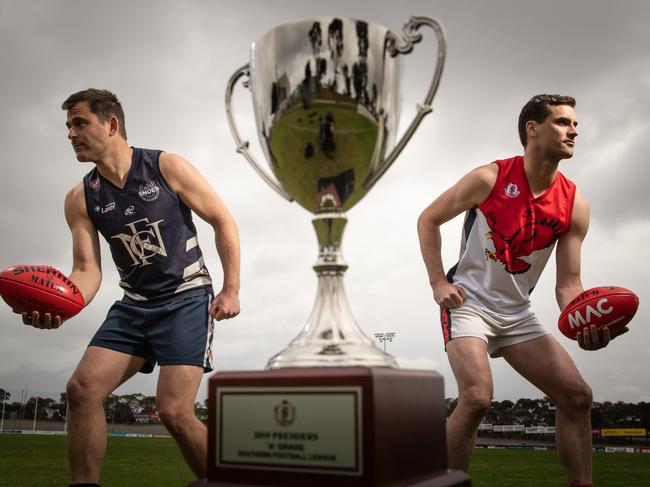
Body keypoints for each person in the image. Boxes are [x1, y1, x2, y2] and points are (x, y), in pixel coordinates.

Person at [21, 88, 241, 486]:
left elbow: (223, 220)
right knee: (82, 389)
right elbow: (87, 271)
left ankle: (226, 480)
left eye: (79, 122)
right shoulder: (80, 197)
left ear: (111, 124)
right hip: (135, 304)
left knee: (173, 409)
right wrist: (62, 307)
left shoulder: (166, 166)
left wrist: (232, 288)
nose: (70, 133)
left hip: (186, 296)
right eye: (68, 125)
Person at [417, 94, 626, 487]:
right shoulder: (489, 177)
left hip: (517, 313)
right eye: (563, 122)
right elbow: (428, 219)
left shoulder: (574, 203)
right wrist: (438, 283)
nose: (574, 130)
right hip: (468, 303)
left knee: (578, 396)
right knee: (477, 397)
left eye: (575, 124)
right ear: (533, 129)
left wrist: (584, 322)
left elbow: (568, 284)